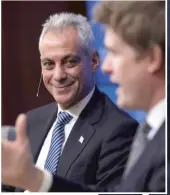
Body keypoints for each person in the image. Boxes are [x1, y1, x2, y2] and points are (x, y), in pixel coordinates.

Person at [2, 12, 138, 192]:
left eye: (70, 62)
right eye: (49, 64)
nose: (58, 76)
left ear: (95, 61)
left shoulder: (120, 131)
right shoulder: (32, 121)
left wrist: (37, 181)